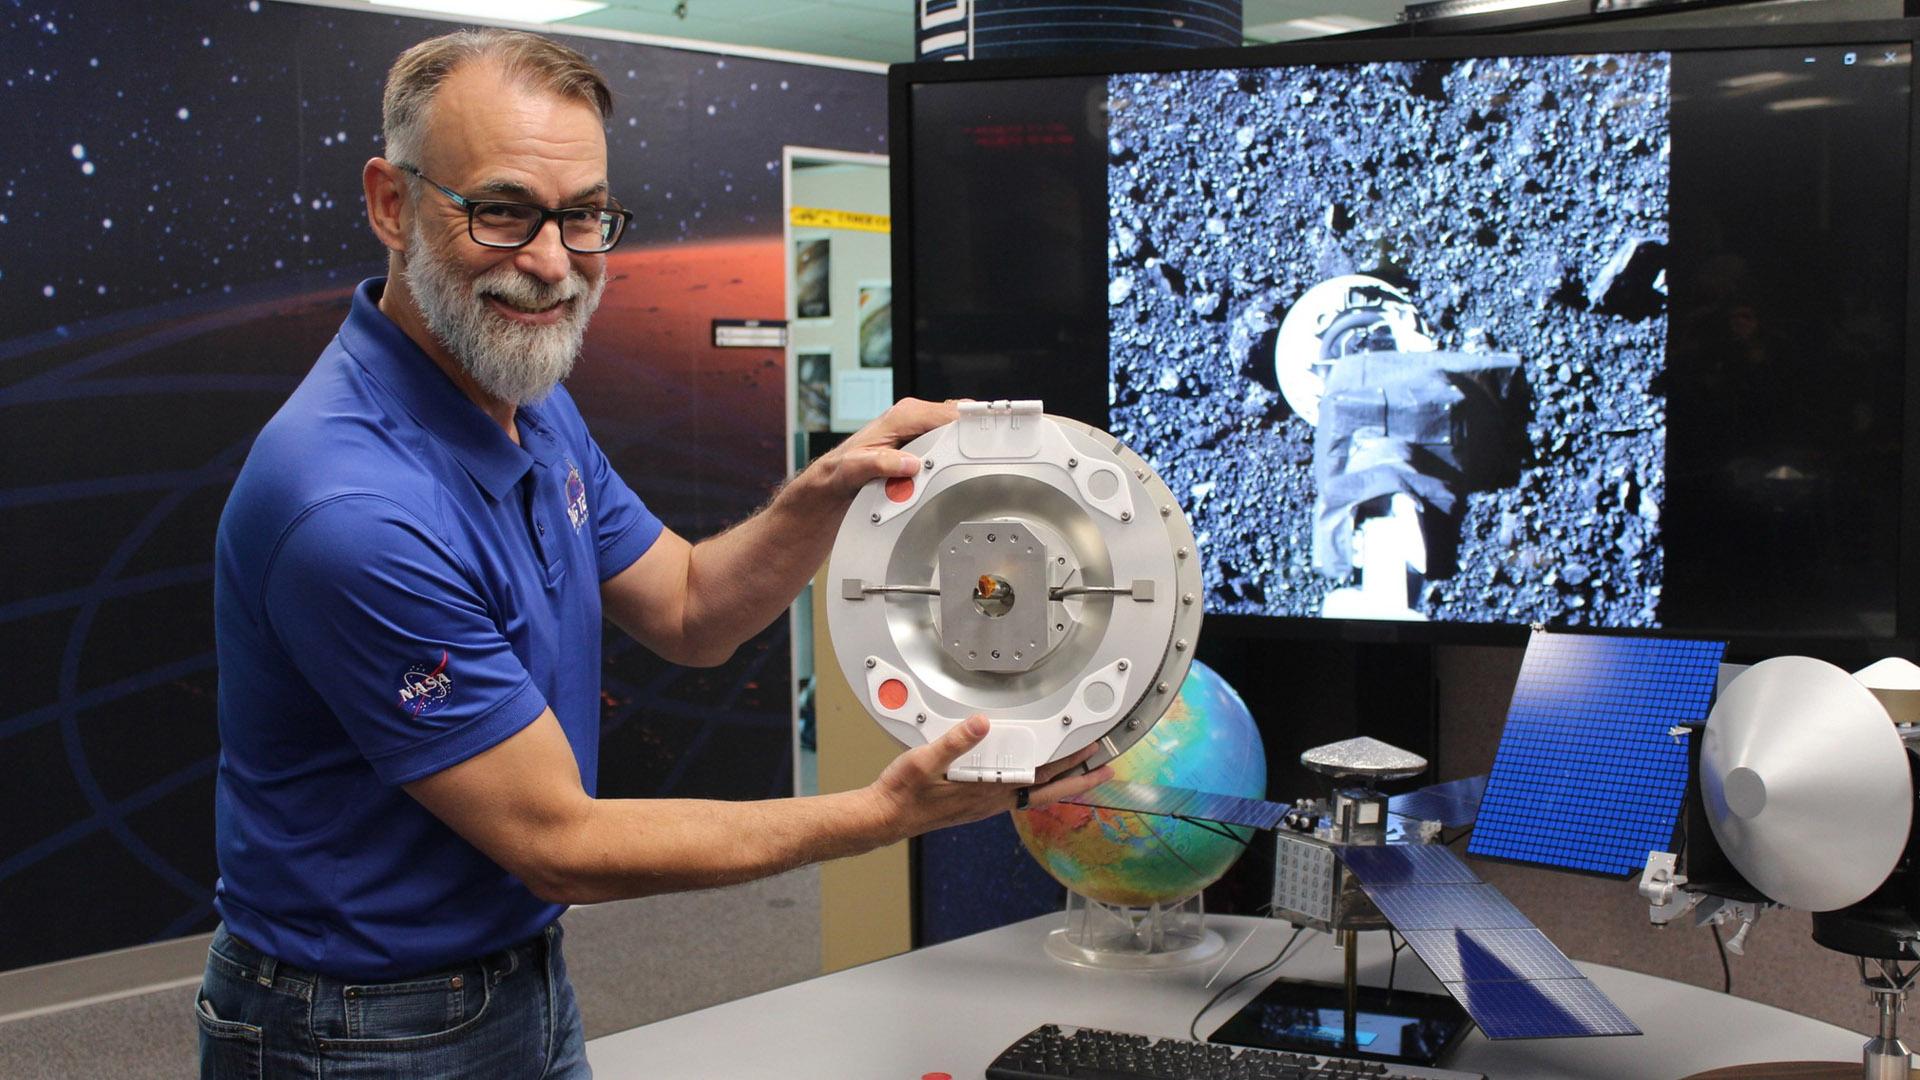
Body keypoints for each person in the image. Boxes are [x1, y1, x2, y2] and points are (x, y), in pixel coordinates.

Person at [197, 28, 1109, 1079]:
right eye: (501, 211)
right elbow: (559, 841)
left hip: (518, 977)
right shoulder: (350, 507)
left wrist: (818, 495)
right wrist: (877, 817)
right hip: (356, 1029)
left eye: (583, 216)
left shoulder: (523, 403)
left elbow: (687, 608)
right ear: (392, 204)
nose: (550, 263)